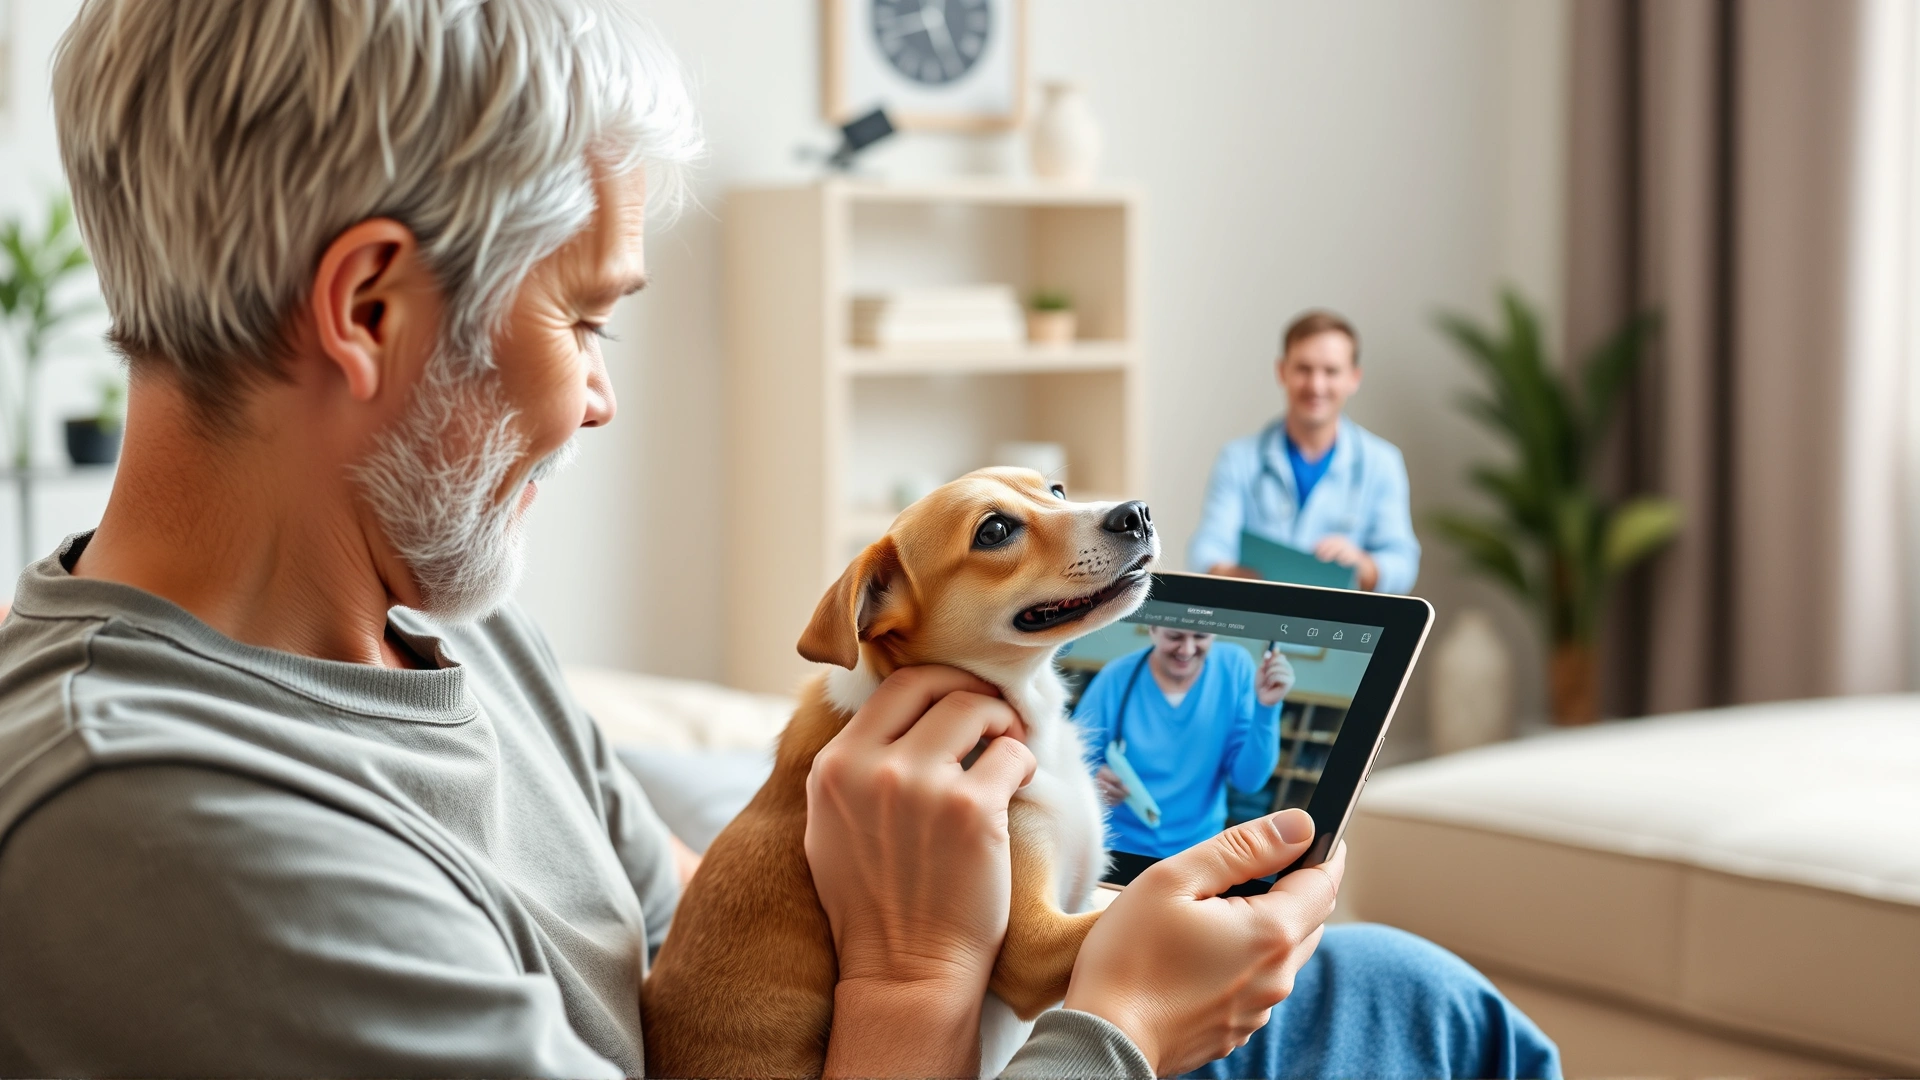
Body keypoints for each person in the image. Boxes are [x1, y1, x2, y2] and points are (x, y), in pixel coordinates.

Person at [0, 3, 1557, 1078]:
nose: (600, 399)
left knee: (1404, 1000)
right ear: (368, 309)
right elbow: (874, 979)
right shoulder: (173, 830)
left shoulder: (438, 625)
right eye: (586, 317)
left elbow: (704, 938)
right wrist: (1072, 1012)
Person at [1190, 310, 1422, 593]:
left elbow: (1402, 563)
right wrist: (1232, 574)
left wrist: (1363, 565)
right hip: (1260, 617)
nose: (1316, 385)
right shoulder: (1238, 459)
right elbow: (1207, 550)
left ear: (1354, 378)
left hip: (1340, 626)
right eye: (1304, 369)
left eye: (1331, 371)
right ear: (1282, 371)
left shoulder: (1382, 463)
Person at [1076, 629, 1293, 858]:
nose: (1187, 650)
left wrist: (1267, 708)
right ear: (1153, 630)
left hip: (1197, 851)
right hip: (1118, 846)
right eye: (1175, 637)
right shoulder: (1115, 677)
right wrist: (1092, 781)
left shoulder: (1235, 668)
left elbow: (1248, 782)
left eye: (1201, 636)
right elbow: (1071, 760)